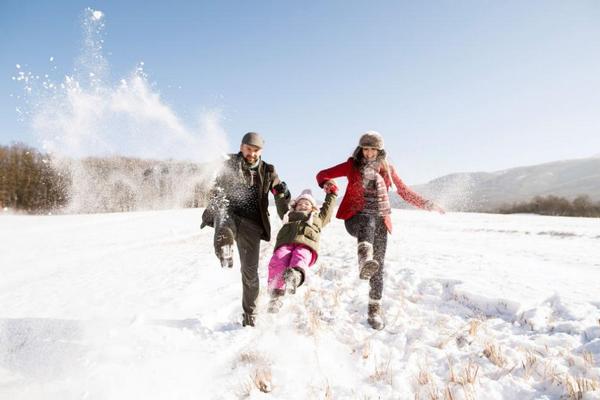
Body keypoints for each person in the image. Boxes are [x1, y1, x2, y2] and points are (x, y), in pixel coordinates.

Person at [316, 131, 444, 330]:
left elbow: (404, 192)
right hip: (355, 219)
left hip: (381, 221)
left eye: (372, 150)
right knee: (368, 219)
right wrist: (329, 185)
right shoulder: (352, 166)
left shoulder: (387, 169)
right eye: (365, 149)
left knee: (378, 267)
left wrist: (428, 204)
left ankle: (374, 311)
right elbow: (322, 174)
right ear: (360, 150)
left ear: (379, 151)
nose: (368, 154)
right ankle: (363, 257)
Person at [201, 132, 290, 327]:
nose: (252, 154)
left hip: (253, 224)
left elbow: (278, 194)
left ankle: (250, 315)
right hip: (230, 213)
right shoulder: (229, 162)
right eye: (248, 149)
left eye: (256, 150)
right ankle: (224, 249)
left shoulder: (268, 170)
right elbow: (212, 178)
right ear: (241, 147)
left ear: (261, 151)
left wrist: (285, 206)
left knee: (250, 273)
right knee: (223, 216)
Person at [266, 185, 338, 313]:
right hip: (285, 244)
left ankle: (295, 276)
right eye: (301, 203)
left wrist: (331, 194)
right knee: (277, 260)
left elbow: (327, 210)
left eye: (307, 204)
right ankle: (275, 297)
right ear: (295, 205)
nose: (303, 205)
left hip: (305, 245)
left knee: (300, 257)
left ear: (313, 207)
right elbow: (281, 206)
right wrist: (279, 194)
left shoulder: (318, 218)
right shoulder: (288, 215)